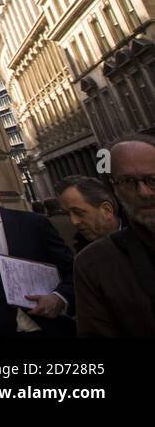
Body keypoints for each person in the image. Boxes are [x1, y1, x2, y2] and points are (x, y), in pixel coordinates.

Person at [0, 166, 75, 337]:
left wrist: (59, 297)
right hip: (5, 331)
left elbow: (73, 271)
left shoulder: (33, 224)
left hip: (50, 326)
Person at [75, 135, 155, 337]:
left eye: (152, 179)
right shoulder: (92, 264)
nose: (144, 192)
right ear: (115, 189)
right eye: (128, 181)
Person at [57, 175, 122, 252]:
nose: (74, 221)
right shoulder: (81, 252)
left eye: (79, 213)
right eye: (67, 214)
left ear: (106, 210)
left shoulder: (138, 234)